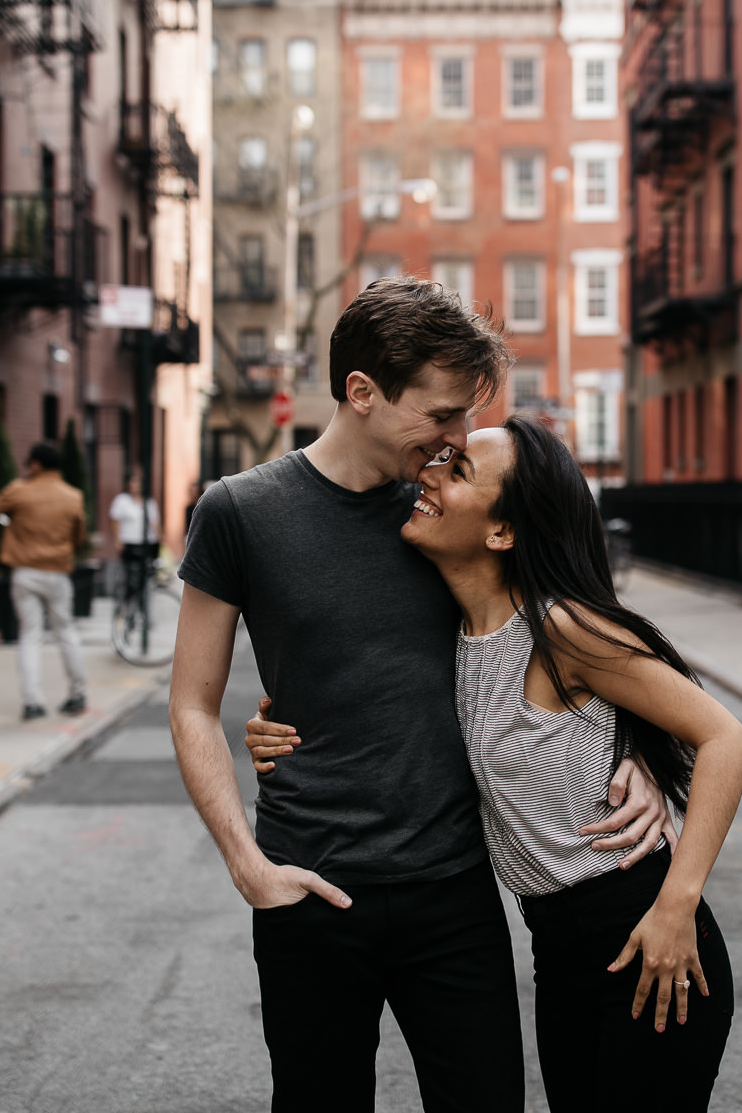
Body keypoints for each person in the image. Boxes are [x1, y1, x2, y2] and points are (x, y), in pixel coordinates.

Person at [169, 277, 670, 1113]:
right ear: (362, 392)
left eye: (466, 418)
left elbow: (585, 636)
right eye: (441, 415)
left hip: (455, 888)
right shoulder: (238, 511)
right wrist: (248, 866)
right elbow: (191, 702)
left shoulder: (450, 512)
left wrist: (634, 749)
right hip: (309, 885)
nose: (457, 438)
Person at [249, 417, 742, 1110]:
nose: (429, 475)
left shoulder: (561, 629)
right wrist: (279, 725)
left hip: (643, 928)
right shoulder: (454, 634)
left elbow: (725, 736)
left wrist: (677, 904)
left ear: (503, 532)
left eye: (456, 471)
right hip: (558, 950)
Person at [0, 440, 88, 721]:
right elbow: (79, 537)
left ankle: (33, 701)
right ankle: (78, 693)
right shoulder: (73, 496)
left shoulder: (20, 491)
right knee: (66, 632)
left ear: (36, 464)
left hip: (25, 572)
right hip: (57, 572)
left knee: (30, 635)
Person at [109, 467, 161, 585]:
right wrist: (117, 541)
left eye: (138, 482)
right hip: (129, 542)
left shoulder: (149, 502)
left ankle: (143, 592)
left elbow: (155, 522)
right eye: (133, 481)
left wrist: (160, 538)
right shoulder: (121, 500)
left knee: (146, 573)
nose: (136, 485)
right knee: (130, 574)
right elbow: (115, 521)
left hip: (148, 542)